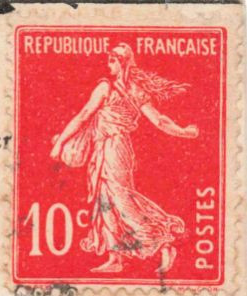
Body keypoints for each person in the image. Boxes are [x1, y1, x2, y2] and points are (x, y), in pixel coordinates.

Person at [48, 42, 200, 275]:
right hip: (112, 148)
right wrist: (183, 131)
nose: (109, 64)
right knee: (105, 199)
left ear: (122, 63)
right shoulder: (136, 90)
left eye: (112, 60)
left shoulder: (106, 88)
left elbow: (84, 115)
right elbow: (160, 121)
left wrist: (59, 144)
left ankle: (162, 241)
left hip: (113, 148)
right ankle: (115, 257)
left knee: (120, 199)